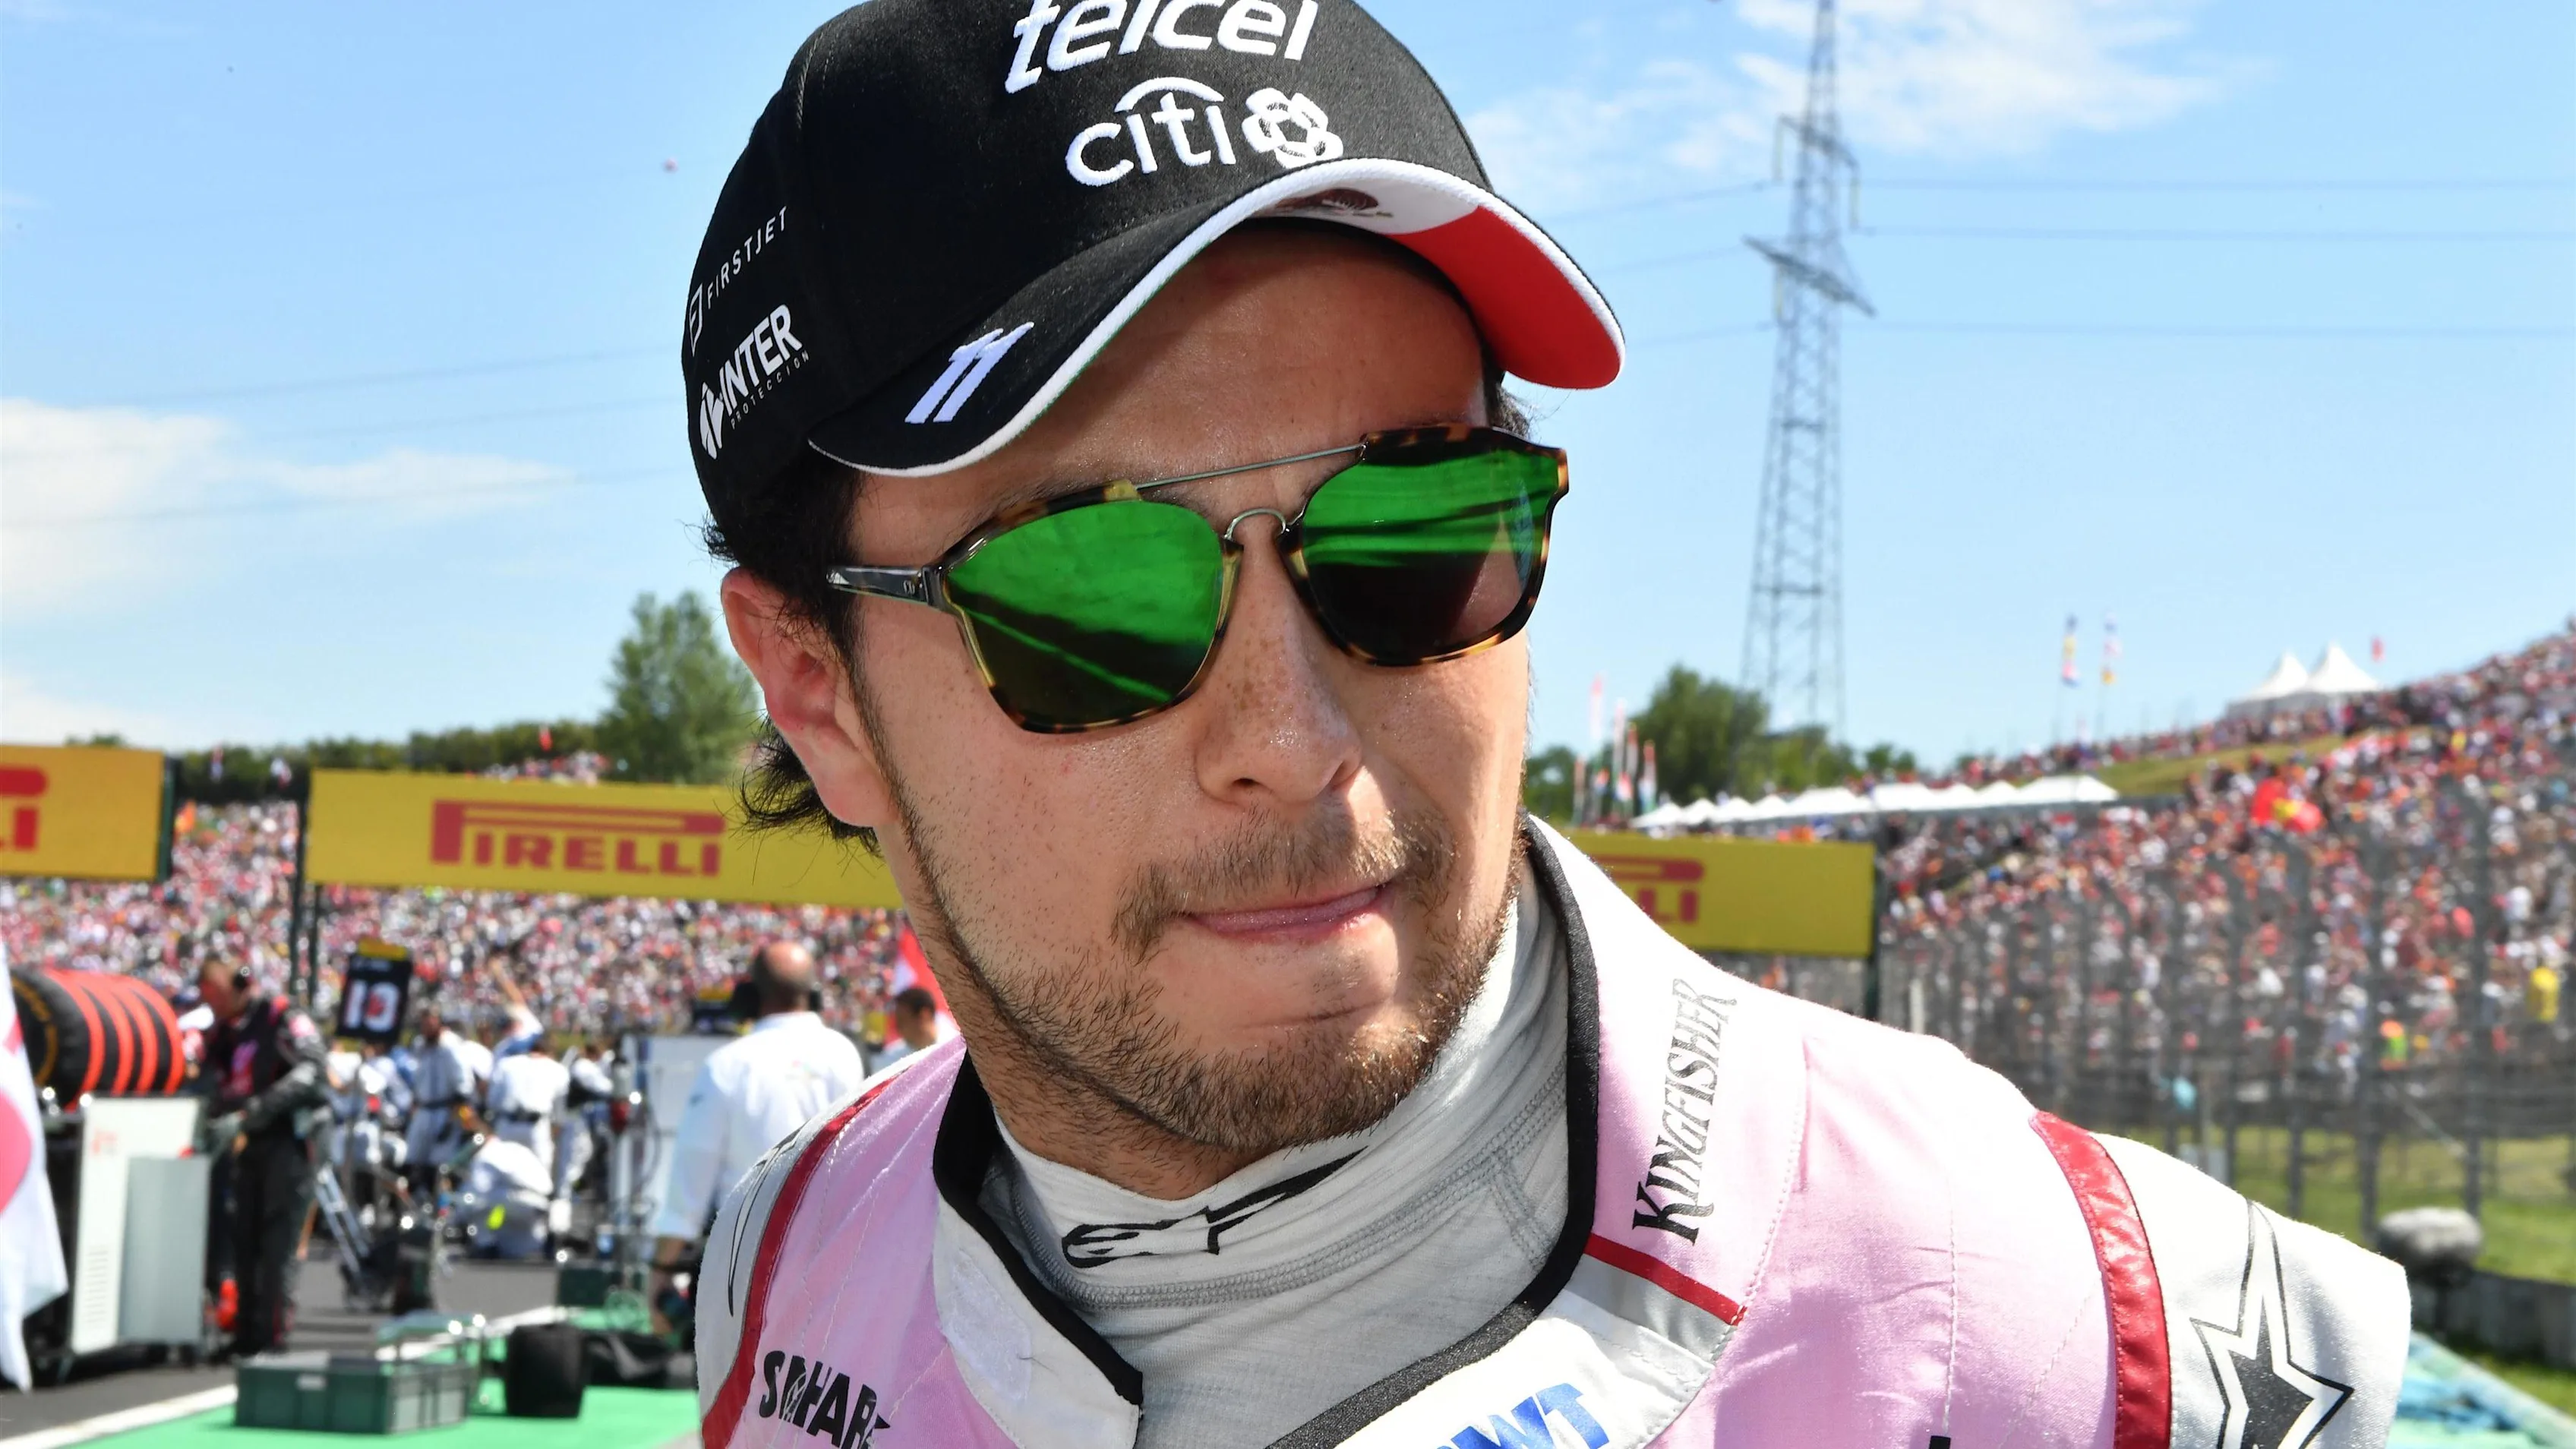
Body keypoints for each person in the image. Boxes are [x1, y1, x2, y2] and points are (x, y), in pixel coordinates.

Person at [690, 5, 2407, 1447]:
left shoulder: (2080, 1321)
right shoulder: (784, 1259)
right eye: (1093, 595)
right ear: (813, 690)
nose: (1291, 736)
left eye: (1413, 538)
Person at [648, 943, 864, 1329]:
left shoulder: (727, 1066)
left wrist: (662, 1270)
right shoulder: (845, 1056)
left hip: (745, 1268)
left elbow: (691, 1180)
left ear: (748, 996)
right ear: (812, 994)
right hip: (832, 1266)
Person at [194, 955, 329, 1359]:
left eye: (216, 995)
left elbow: (313, 1071)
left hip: (288, 1139)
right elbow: (207, 1080)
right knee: (244, 1239)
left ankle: (272, 1337)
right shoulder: (221, 1033)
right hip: (246, 1142)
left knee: (276, 1243)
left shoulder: (281, 1016)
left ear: (239, 984)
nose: (212, 1004)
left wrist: (255, 1109)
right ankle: (246, 1334)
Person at [403, 1005, 483, 1198]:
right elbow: (417, 1081)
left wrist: (451, 1121)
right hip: (424, 1110)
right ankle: (415, 1205)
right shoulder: (420, 1045)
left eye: (430, 1021)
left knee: (438, 1165)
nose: (426, 1026)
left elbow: (463, 1089)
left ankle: (440, 1208)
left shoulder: (451, 1047)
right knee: (412, 1161)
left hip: (445, 1111)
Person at [868, 986, 941, 1072]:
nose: (898, 1028)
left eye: (903, 1020)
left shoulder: (956, 1046)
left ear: (924, 1015)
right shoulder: (896, 1058)